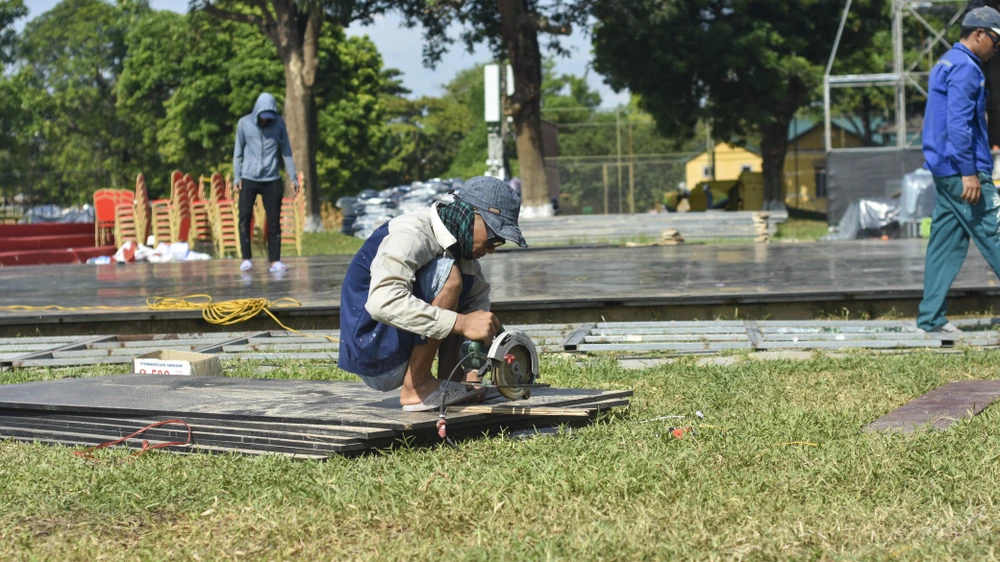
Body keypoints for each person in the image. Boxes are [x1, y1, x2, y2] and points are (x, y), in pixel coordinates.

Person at [338, 176, 528, 411]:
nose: (492, 248)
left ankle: (451, 383)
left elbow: (478, 308)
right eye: (494, 238)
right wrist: (462, 322)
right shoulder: (410, 233)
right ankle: (416, 388)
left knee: (470, 302)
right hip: (374, 351)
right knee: (450, 277)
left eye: (499, 243)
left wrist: (472, 375)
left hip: (396, 343)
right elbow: (381, 302)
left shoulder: (462, 250)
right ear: (472, 215)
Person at [919, 6, 1000, 334]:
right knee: (994, 233)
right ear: (979, 34)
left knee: (946, 242)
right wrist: (969, 171)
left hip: (944, 169)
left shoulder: (946, 62)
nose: (997, 49)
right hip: (964, 171)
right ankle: (930, 318)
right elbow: (959, 124)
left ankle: (931, 319)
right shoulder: (967, 68)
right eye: (996, 41)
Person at [232, 92, 298, 273]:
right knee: (245, 217)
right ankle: (246, 259)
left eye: (269, 118)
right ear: (257, 114)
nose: (266, 122)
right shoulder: (244, 123)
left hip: (271, 178)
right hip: (249, 177)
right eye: (263, 118)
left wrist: (293, 178)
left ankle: (275, 261)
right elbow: (238, 153)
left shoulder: (279, 124)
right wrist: (236, 177)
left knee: (274, 220)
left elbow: (286, 151)